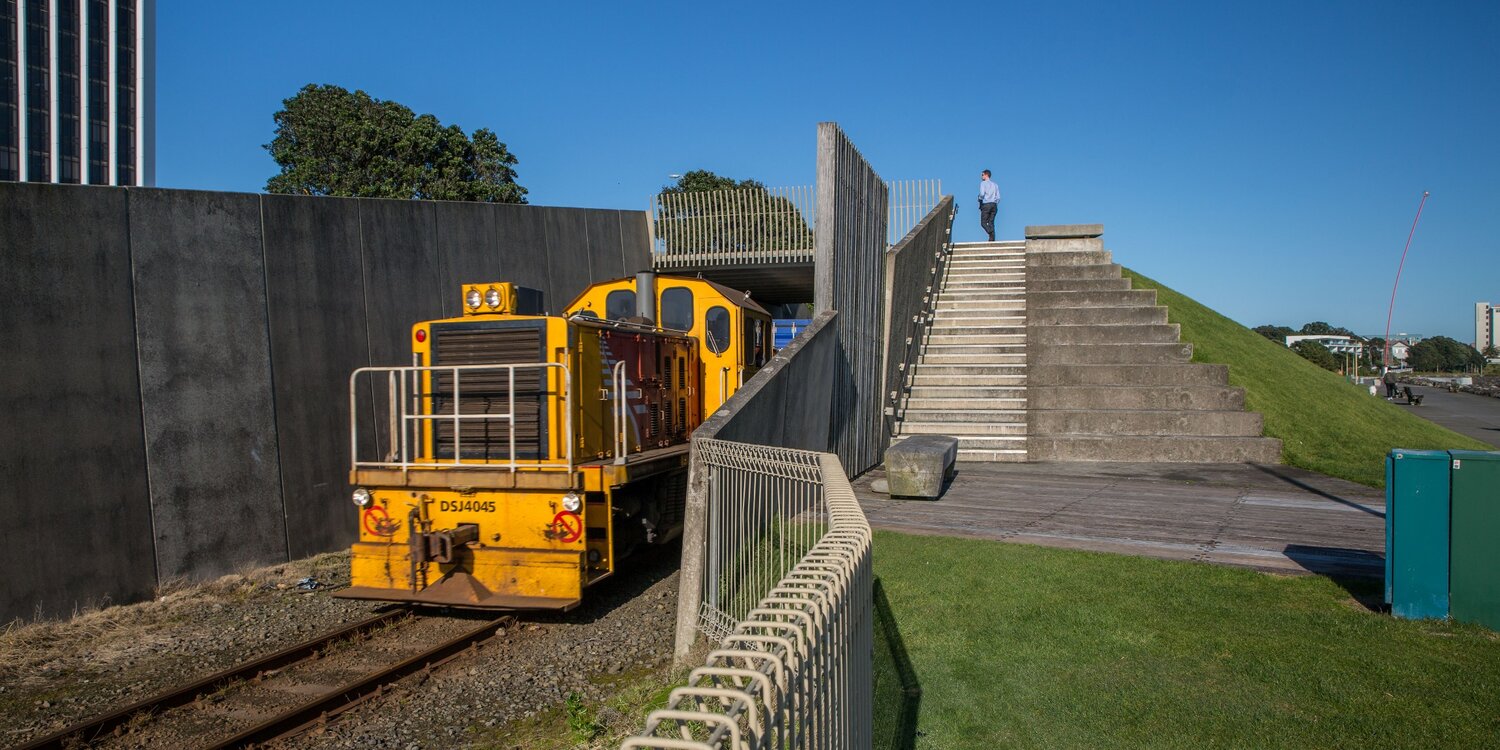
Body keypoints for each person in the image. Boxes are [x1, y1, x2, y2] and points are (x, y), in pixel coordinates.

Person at [978, 169, 1000, 242]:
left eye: (982, 175)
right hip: (994, 205)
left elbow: (982, 194)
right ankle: (992, 238)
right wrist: (995, 202)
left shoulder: (983, 183)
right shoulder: (995, 185)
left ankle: (990, 232)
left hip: (986, 204)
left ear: (986, 175)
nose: (981, 176)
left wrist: (979, 198)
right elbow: (998, 197)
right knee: (991, 222)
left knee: (983, 222)